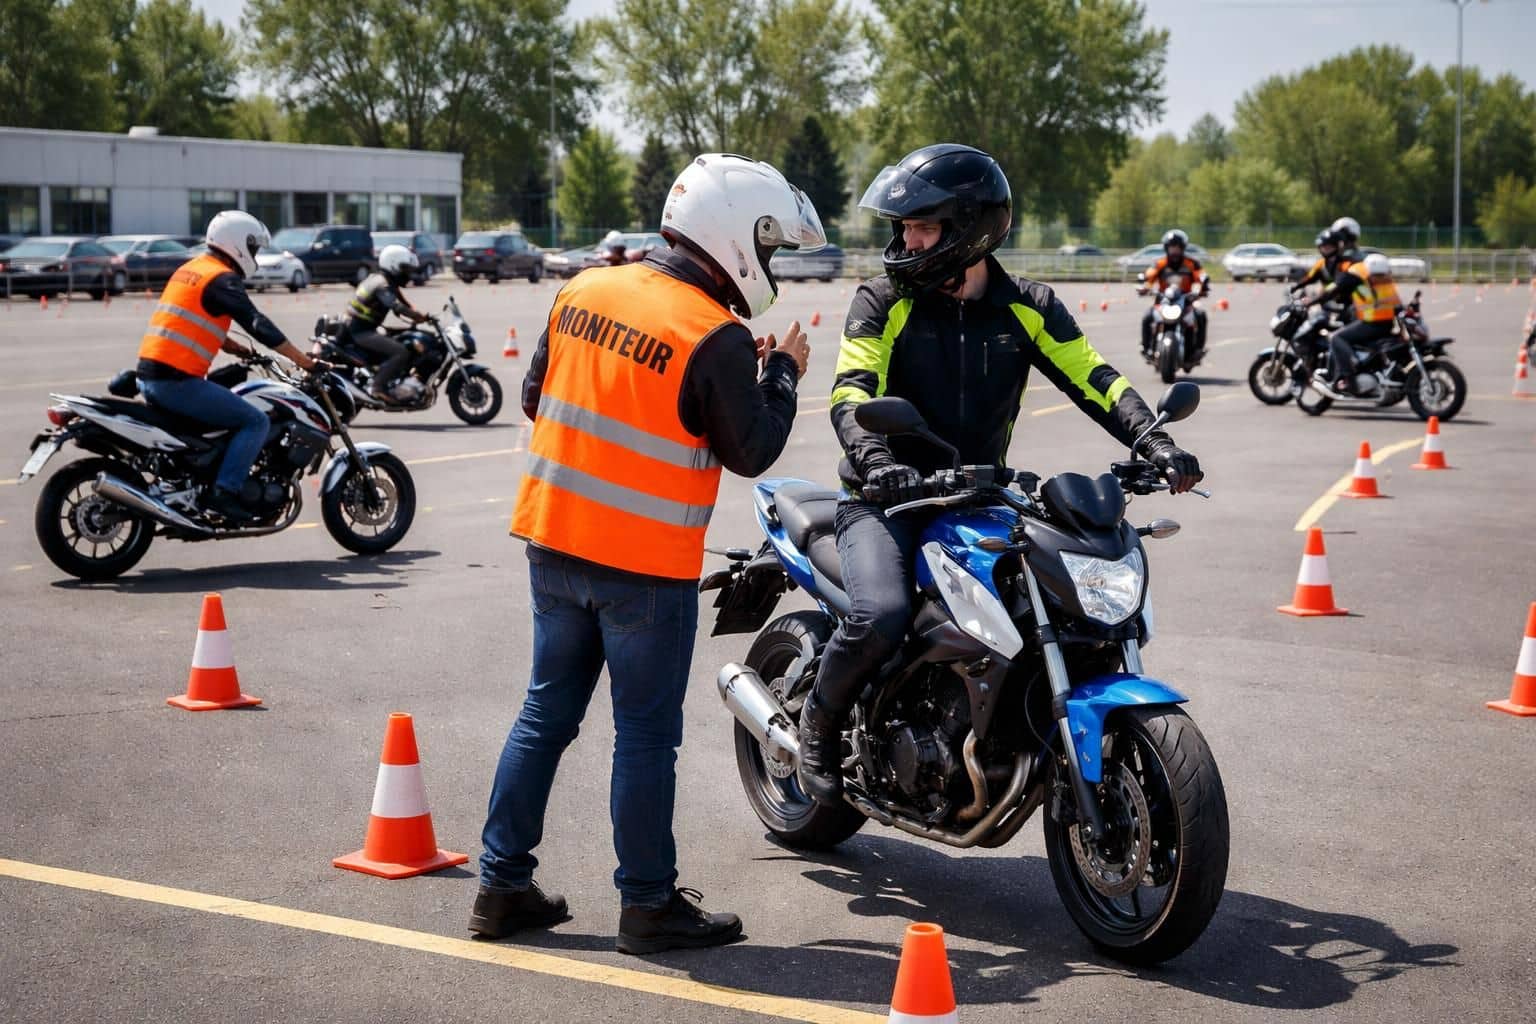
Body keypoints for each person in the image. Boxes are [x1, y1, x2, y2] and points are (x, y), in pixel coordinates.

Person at [472, 153, 825, 954]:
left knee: (544, 715)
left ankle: (500, 887)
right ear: (734, 236)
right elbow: (754, 448)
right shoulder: (714, 333)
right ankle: (647, 904)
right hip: (645, 567)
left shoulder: (583, 289)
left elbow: (536, 396)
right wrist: (781, 373)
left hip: (554, 543)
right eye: (767, 247)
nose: (766, 266)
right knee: (642, 737)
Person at [797, 143, 1204, 805]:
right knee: (882, 613)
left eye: (922, 227)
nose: (906, 240)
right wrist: (877, 463)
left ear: (969, 231)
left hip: (981, 496)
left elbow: (1093, 377)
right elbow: (851, 390)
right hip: (886, 501)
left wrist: (1154, 441)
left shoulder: (1028, 305)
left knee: (1054, 601)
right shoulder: (883, 300)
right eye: (903, 226)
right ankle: (819, 727)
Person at [136, 210, 320, 523]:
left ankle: (199, 479)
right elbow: (257, 323)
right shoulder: (222, 278)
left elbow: (194, 321)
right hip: (176, 382)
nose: (256, 255)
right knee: (255, 422)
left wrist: (239, 350)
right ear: (238, 243)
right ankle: (224, 492)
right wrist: (304, 361)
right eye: (254, 247)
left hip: (151, 375)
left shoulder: (192, 269)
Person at [346, 244, 432, 402]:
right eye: (405, 269)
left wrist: (419, 315)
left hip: (366, 327)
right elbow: (396, 306)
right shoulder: (383, 285)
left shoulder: (384, 280)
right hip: (361, 331)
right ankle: (378, 387)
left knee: (404, 337)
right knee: (401, 352)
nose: (408, 274)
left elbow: (403, 303)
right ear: (393, 265)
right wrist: (418, 317)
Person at [1306, 250, 1400, 395]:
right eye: (1375, 275)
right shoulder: (1384, 278)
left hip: (1372, 324)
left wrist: (1310, 302)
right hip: (1386, 324)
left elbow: (1331, 291)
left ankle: (1349, 380)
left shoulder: (1358, 275)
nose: (1378, 278)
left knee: (1337, 338)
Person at [1140, 229, 1210, 360]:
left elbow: (1201, 276)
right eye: (1172, 247)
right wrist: (1144, 286)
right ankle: (1147, 348)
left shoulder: (1191, 264)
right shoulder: (1159, 264)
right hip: (1163, 300)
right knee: (1147, 316)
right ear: (1167, 248)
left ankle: (1198, 350)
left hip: (1185, 300)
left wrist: (1203, 287)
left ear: (1182, 248)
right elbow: (1149, 276)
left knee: (1200, 315)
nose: (1175, 251)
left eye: (1177, 248)